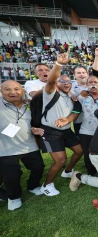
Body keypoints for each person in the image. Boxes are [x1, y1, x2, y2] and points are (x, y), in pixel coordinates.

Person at [39, 50, 83, 196]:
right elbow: (51, 81)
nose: (66, 83)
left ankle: (68, 171)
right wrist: (58, 64)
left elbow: (75, 112)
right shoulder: (50, 92)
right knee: (60, 160)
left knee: (79, 151)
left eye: (69, 82)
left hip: (65, 130)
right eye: (62, 81)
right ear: (57, 83)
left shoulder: (69, 97)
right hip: (50, 132)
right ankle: (46, 185)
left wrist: (68, 119)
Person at [0, 80, 44, 210]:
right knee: (11, 175)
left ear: (22, 91)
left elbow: (30, 122)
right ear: (1, 91)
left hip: (28, 144)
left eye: (16, 89)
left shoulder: (28, 105)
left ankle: (33, 186)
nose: (13, 92)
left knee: (38, 167)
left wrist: (33, 130)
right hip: (6, 148)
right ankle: (14, 197)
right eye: (7, 89)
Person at [70, 66, 89, 136]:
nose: (82, 74)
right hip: (79, 120)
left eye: (83, 72)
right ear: (74, 75)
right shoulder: (69, 86)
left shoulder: (93, 84)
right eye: (79, 73)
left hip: (94, 120)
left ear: (87, 74)